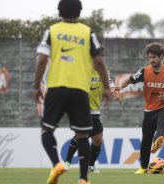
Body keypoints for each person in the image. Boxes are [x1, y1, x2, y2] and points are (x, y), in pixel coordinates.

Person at [33, 0, 112, 184]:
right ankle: (83, 179)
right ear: (80, 12)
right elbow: (99, 61)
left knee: (47, 129)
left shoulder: (52, 31)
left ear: (59, 11)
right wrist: (107, 87)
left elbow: (42, 59)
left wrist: (36, 86)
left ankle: (56, 164)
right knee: (83, 134)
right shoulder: (87, 32)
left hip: (56, 88)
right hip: (79, 90)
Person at [114, 42, 164, 174]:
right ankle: (143, 167)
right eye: (150, 57)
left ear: (161, 57)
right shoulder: (144, 72)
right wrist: (120, 87)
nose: (151, 60)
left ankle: (157, 142)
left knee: (162, 123)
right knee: (145, 139)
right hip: (150, 109)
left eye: (154, 57)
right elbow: (130, 80)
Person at [64, 50, 114, 173]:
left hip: (96, 110)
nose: (99, 60)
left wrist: (112, 91)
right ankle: (67, 162)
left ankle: (90, 165)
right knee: (84, 134)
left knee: (98, 140)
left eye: (102, 57)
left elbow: (111, 86)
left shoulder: (104, 70)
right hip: (82, 108)